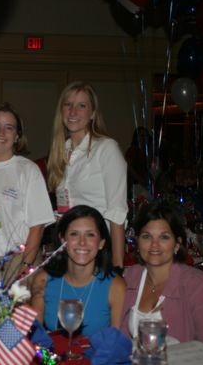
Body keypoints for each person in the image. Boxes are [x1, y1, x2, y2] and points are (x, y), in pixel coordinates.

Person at [120, 201, 203, 362]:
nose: (154, 244)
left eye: (164, 237)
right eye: (147, 236)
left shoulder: (197, 285)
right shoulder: (130, 278)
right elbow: (119, 340)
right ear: (137, 242)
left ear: (177, 245)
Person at [0, 102, 55, 286]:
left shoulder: (27, 170)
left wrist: (26, 265)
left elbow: (37, 226)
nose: (1, 133)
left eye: (9, 128)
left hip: (14, 262)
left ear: (17, 136)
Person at [46, 81, 128, 267]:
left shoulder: (106, 149)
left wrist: (117, 267)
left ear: (92, 113)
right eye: (68, 105)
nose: (73, 112)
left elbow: (117, 213)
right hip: (69, 252)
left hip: (99, 251)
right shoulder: (61, 152)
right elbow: (64, 208)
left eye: (81, 106)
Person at [31, 205, 126, 336]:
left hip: (97, 356)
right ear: (63, 240)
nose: (82, 242)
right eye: (74, 234)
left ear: (101, 243)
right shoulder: (43, 280)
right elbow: (34, 337)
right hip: (53, 356)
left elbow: (118, 344)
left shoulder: (115, 286)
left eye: (90, 235)